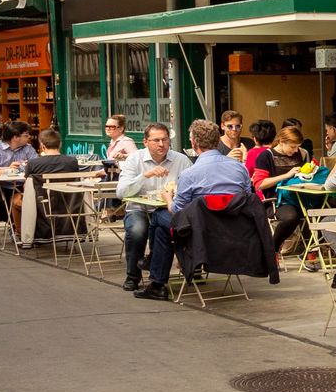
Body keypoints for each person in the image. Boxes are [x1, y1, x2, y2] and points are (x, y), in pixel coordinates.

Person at [138, 119, 252, 300]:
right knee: (162, 231)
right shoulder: (240, 169)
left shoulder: (190, 174)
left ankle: (156, 278)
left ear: (193, 143)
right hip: (234, 231)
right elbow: (247, 198)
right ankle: (157, 282)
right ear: (217, 141)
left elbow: (177, 211)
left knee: (160, 217)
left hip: (201, 233)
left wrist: (168, 198)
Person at [116, 123, 183, 290]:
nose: (161, 144)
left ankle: (177, 272)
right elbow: (121, 192)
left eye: (165, 140)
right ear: (145, 142)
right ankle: (133, 276)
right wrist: (145, 175)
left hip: (166, 208)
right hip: (140, 208)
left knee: (180, 227)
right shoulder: (135, 159)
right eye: (156, 140)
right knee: (137, 230)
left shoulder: (181, 160)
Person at [251, 125, 315, 260]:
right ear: (281, 141)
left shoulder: (301, 153)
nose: (295, 150)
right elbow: (259, 184)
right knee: (292, 217)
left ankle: (311, 251)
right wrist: (287, 175)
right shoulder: (266, 156)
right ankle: (273, 249)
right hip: (277, 201)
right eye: (292, 147)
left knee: (322, 212)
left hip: (300, 197)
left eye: (297, 146)